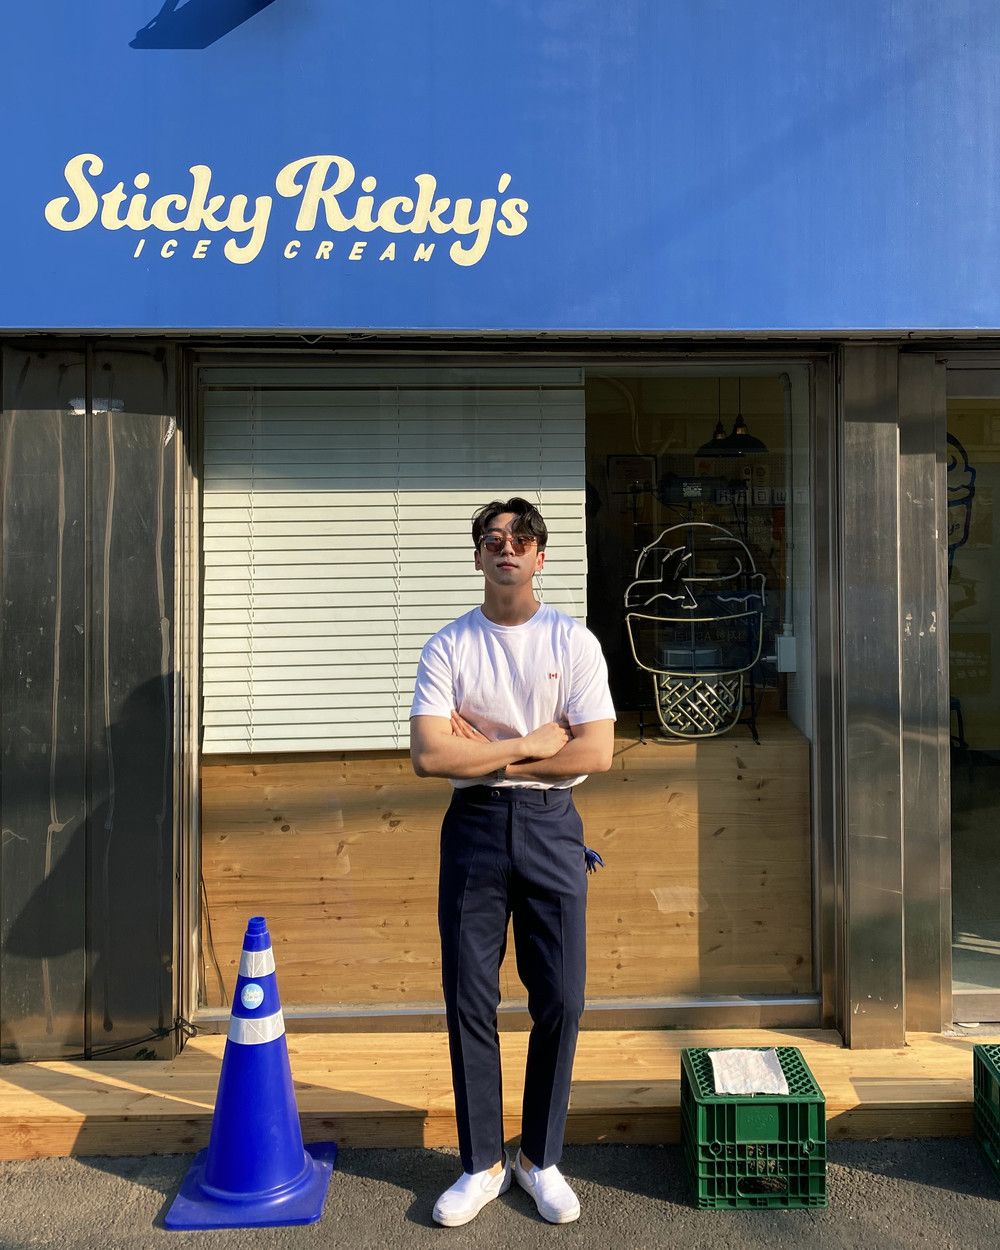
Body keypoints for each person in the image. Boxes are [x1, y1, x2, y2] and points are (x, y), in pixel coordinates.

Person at [409, 497, 616, 1227]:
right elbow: (430, 754)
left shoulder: (572, 641)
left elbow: (596, 751)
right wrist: (527, 745)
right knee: (469, 997)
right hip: (473, 827)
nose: (507, 547)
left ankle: (539, 1157)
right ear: (477, 556)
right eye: (493, 538)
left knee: (562, 996)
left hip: (554, 826)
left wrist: (485, 750)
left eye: (521, 538)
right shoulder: (449, 646)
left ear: (539, 557)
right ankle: (481, 1164)